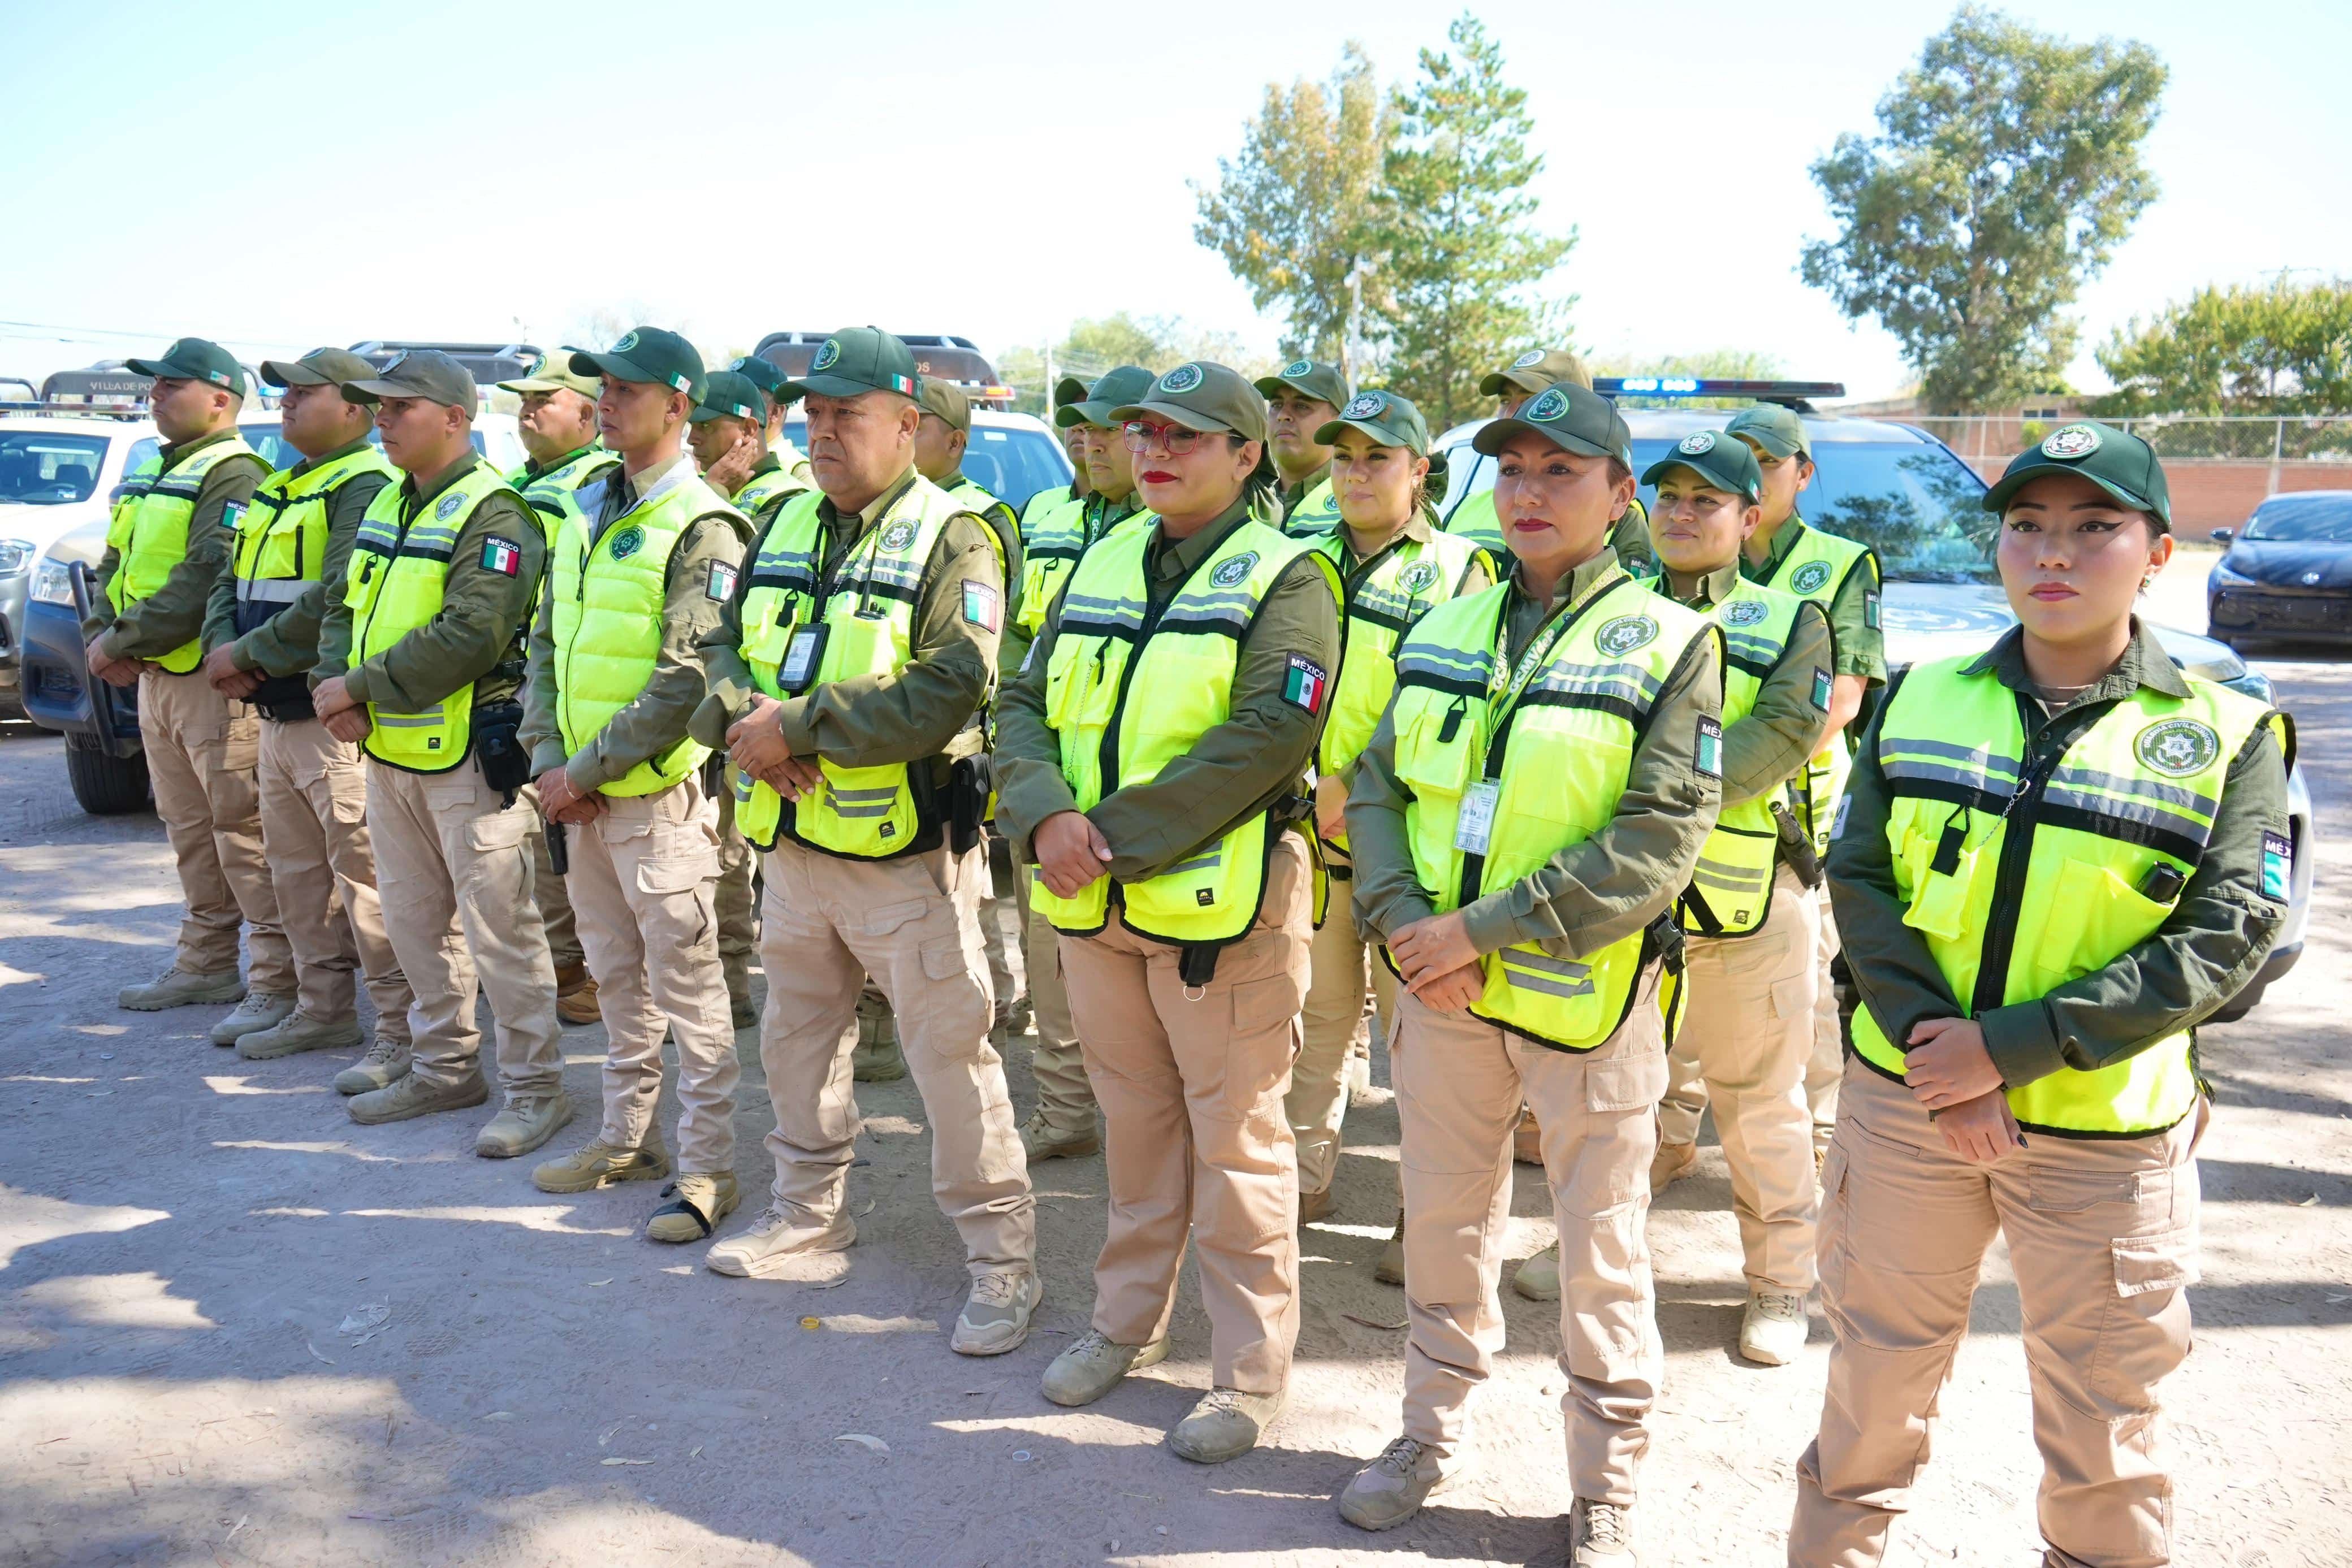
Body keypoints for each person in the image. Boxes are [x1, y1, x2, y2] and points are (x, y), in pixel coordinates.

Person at [1789, 422, 2292, 1567]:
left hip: (2104, 1137)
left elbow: (2229, 932)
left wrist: (2009, 1049)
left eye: (2093, 528)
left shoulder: (2225, 731)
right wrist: (1936, 1051)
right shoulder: (1917, 697)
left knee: (2105, 1428)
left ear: (2157, 552)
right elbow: (1860, 878)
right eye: (2027, 527)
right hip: (1909, 1105)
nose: (2053, 553)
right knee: (1871, 1393)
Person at [1333, 379, 1722, 1562]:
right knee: (1446, 1225)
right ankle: (1424, 1432)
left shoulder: (1670, 642)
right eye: (1512, 470)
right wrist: (1407, 922)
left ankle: (1604, 1479)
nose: (1529, 492)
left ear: (1618, 496)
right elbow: (1375, 785)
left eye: (1561, 472)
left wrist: (1475, 932)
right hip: (1439, 997)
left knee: (1601, 1249)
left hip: (1587, 1008)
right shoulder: (1445, 625)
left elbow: (1658, 842)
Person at [996, 361, 1342, 1464]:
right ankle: (1123, 1324)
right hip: (1093, 899)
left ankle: (1247, 1372)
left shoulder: (1287, 576)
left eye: (1189, 435)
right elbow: (1021, 699)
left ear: (1247, 457)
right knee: (1136, 1128)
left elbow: (1269, 738)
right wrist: (1046, 814)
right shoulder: (1103, 555)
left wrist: (1104, 839)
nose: (1156, 448)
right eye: (1146, 431)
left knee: (1238, 1145)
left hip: (1220, 912)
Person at [691, 327, 1037, 1357]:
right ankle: (809, 1216)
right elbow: (713, 644)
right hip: (791, 847)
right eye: (814, 412)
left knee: (950, 1060)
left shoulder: (956, 533)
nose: (824, 430)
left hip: (906, 861)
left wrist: (797, 727)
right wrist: (744, 724)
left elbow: (950, 686)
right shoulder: (784, 516)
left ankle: (1002, 1263)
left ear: (907, 425)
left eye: (848, 414)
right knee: (796, 1043)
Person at [520, 328, 748, 1243]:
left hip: (655, 805)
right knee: (617, 982)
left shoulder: (703, 523)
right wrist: (547, 758)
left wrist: (579, 773)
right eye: (603, 388)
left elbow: (685, 679)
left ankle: (707, 1168)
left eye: (629, 389)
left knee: (690, 992)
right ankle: (626, 1138)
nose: (608, 402)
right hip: (582, 799)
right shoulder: (584, 505)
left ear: (679, 407)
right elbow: (547, 643)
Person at [310, 350, 569, 1154]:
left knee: (501, 929)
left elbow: (474, 633)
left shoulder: (495, 513)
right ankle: (446, 1067)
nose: (381, 420)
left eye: (399, 408)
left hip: (467, 761)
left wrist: (359, 688)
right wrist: (333, 682)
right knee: (418, 923)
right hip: (392, 754)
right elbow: (342, 606)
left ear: (455, 418)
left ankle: (535, 1088)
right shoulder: (392, 501)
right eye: (376, 408)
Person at [1636, 432, 1834, 1367]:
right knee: (1619, 1097)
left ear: (1749, 518)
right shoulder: (1613, 613)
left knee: (1760, 1102)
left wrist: (1656, 801)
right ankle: (1596, 1246)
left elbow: (1785, 730)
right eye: (1668, 494)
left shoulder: (1793, 620)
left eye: (1705, 499)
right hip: (1627, 908)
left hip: (1746, 898)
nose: (1681, 511)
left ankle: (1781, 1279)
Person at [1289, 389, 1491, 1245]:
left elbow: (1441, 697)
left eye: (1377, 458)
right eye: (1343, 457)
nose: (1355, 473)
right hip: (1308, 836)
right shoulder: (1297, 557)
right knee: (1316, 1023)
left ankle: (1429, 1225)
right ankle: (1300, 1184)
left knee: (1425, 1042)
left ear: (1420, 470)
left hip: (1409, 846)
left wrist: (1350, 783)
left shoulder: (1462, 569)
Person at [200, 347, 414, 1068]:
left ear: (353, 408)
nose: (286, 402)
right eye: (283, 392)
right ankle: (319, 1009)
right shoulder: (282, 483)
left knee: (369, 883)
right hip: (273, 713)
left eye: (303, 391)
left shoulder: (365, 482)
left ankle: (400, 1029)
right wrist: (221, 648)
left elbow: (336, 594)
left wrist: (247, 654)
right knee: (295, 874)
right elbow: (225, 581)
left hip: (329, 718)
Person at [85, 338, 292, 1040]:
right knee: (189, 831)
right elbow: (115, 563)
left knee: (244, 832)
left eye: (173, 384)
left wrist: (116, 642)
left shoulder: (235, 472)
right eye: (155, 384)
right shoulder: (154, 471)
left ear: (221, 399)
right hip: (156, 680)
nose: (156, 395)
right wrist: (101, 631)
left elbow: (206, 572)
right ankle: (205, 961)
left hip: (208, 683)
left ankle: (276, 977)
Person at [999, 363, 1158, 1162]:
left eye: (1114, 427)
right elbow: (1024, 637)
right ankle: (1064, 1109)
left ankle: (1144, 1120)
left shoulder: (1188, 531)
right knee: (1048, 950)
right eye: (1087, 426)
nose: (1092, 441)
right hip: (1053, 773)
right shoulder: (1051, 514)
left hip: (1146, 793)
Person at [1723, 402, 1884, 1172]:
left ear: (1802, 473)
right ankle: (1672, 1136)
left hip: (1798, 818)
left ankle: (1819, 1138)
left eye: (1766, 460)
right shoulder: (1691, 554)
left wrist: (1732, 776)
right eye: (1736, 456)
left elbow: (1842, 705)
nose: (1749, 471)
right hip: (1711, 812)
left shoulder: (1840, 563)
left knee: (1807, 989)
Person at [496, 349, 621, 1028]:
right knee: (537, 843)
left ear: (585, 412)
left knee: (567, 843)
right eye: (524, 398)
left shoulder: (598, 483)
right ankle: (566, 968)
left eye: (543, 398)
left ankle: (592, 976)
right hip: (530, 678)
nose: (527, 409)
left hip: (571, 683)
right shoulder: (520, 481)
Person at [689, 368, 809, 1029]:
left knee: (741, 857)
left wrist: (714, 494)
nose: (694, 439)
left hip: (773, 716)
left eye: (706, 428)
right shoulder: (721, 491)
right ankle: (731, 987)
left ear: (747, 430)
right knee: (727, 858)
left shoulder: (786, 498)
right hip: (727, 707)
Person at [913, 375, 1028, 1041]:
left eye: (918, 423)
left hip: (957, 735)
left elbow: (981, 643)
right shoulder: (888, 511)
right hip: (890, 738)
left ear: (955, 442)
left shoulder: (977, 519)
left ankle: (989, 1005)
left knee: (964, 891)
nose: (904, 432)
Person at [1446, 348, 1651, 575]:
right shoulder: (1467, 507)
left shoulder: (1623, 518)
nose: (1512, 412)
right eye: (1510, 470)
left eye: (1559, 470)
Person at [1255, 358, 1347, 536]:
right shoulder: (1240, 494)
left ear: (1338, 422)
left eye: (1301, 406)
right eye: (1276, 405)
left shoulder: (1357, 496)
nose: (1283, 416)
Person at [726, 353, 813, 482]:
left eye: (740, 402)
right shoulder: (718, 465)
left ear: (775, 412)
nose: (726, 408)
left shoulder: (800, 474)